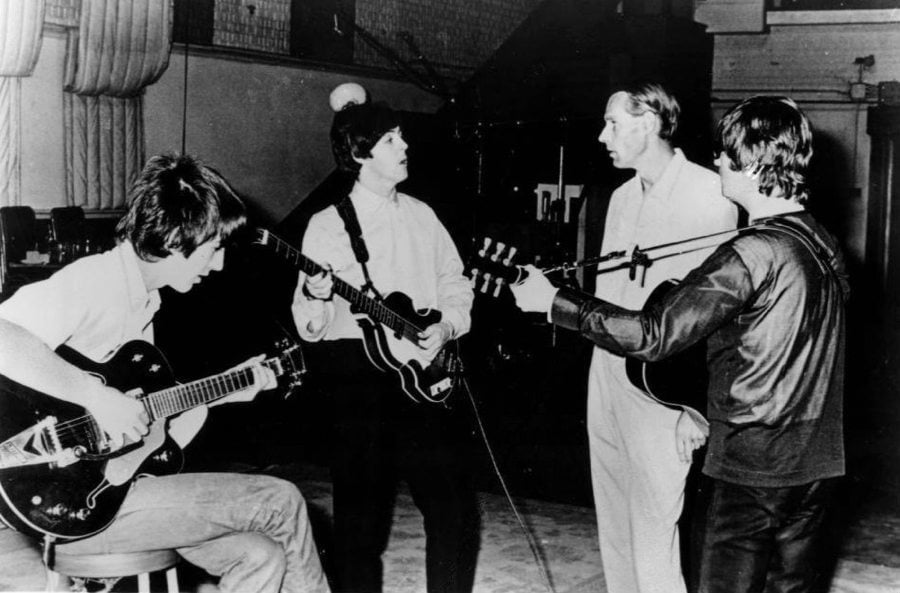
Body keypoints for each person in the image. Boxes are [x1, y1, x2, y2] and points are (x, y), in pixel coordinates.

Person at [510, 95, 847, 593]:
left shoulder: (750, 252)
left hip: (751, 466)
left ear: (752, 164)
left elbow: (653, 333)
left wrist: (554, 302)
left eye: (727, 154)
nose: (717, 162)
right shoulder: (822, 241)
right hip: (814, 463)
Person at [0, 154, 330, 593]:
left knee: (261, 555)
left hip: (117, 488)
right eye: (214, 249)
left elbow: (151, 432)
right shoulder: (94, 281)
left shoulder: (143, 301)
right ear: (176, 241)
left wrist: (224, 391)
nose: (217, 266)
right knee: (281, 499)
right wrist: (95, 396)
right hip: (72, 500)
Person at [291, 94, 479, 593]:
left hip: (426, 377)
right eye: (391, 139)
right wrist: (315, 296)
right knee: (359, 527)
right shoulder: (328, 226)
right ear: (359, 154)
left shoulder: (423, 214)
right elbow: (310, 325)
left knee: (454, 509)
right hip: (360, 384)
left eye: (402, 135)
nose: (405, 145)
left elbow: (455, 281)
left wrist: (448, 325)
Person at [582, 82, 738, 593]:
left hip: (664, 391)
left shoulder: (710, 196)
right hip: (607, 375)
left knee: (654, 533)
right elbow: (607, 297)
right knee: (616, 526)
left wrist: (695, 408)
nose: (603, 135)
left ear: (648, 122)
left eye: (614, 124)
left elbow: (716, 320)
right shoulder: (621, 196)